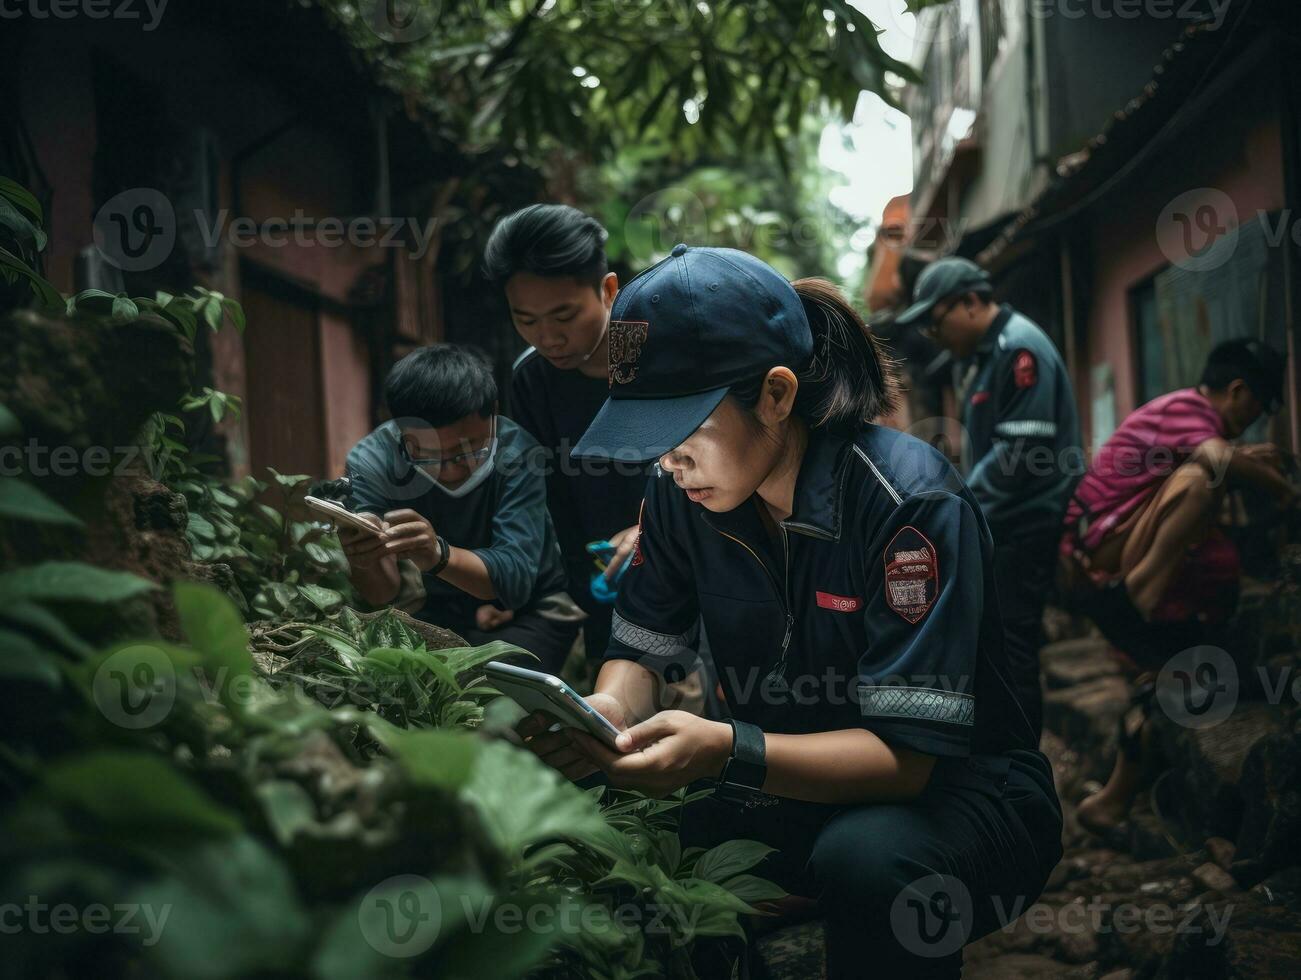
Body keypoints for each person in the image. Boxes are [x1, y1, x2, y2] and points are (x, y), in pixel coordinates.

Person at [517, 244, 1062, 978]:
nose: (668, 463)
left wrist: (724, 748)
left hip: (957, 795)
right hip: (776, 783)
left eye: (684, 433)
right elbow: (643, 649)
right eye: (651, 443)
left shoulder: (907, 505)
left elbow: (904, 760)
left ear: (775, 395)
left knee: (866, 860)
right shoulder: (682, 495)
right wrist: (606, 713)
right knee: (592, 817)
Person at [1061, 338, 1293, 834]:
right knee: (1204, 477)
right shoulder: (1189, 410)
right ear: (1237, 391)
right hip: (1103, 556)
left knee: (1166, 680)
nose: (1253, 419)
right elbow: (1213, 456)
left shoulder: (1182, 420)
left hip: (1111, 553)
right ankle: (1141, 592)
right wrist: (1288, 494)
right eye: (1258, 406)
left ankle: (1110, 802)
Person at [894, 256, 1081, 738]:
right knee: (997, 639)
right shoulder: (983, 357)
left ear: (972, 302)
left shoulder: (1019, 348)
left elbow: (1020, 453)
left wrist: (960, 508)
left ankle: (1021, 767)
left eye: (938, 322)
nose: (936, 335)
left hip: (1025, 523)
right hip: (1006, 521)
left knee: (1015, 642)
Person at [338, 344, 583, 673]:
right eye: (424, 454)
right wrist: (363, 558)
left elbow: (514, 583)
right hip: (433, 608)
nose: (449, 471)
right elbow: (383, 593)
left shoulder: (518, 452)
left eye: (465, 452)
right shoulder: (371, 461)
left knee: (498, 694)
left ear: (492, 414)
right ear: (397, 428)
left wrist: (438, 554)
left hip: (531, 608)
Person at [484, 204, 654, 663]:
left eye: (564, 315)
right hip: (603, 582)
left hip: (691, 566)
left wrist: (655, 530)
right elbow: (552, 496)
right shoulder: (532, 380)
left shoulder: (662, 358)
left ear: (608, 290)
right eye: (527, 320)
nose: (548, 338)